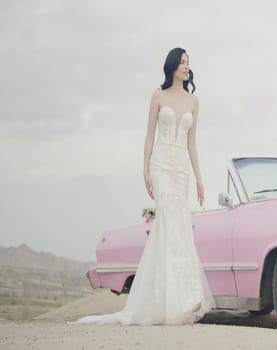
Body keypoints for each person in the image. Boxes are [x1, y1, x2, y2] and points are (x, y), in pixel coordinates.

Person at [74, 48, 214, 325]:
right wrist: (145, 170)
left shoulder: (194, 101)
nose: (187, 67)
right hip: (161, 166)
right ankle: (169, 298)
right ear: (172, 66)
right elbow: (149, 135)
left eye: (189, 63)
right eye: (182, 62)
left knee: (180, 226)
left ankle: (184, 296)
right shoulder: (158, 96)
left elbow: (192, 143)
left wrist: (199, 177)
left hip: (181, 169)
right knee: (169, 223)